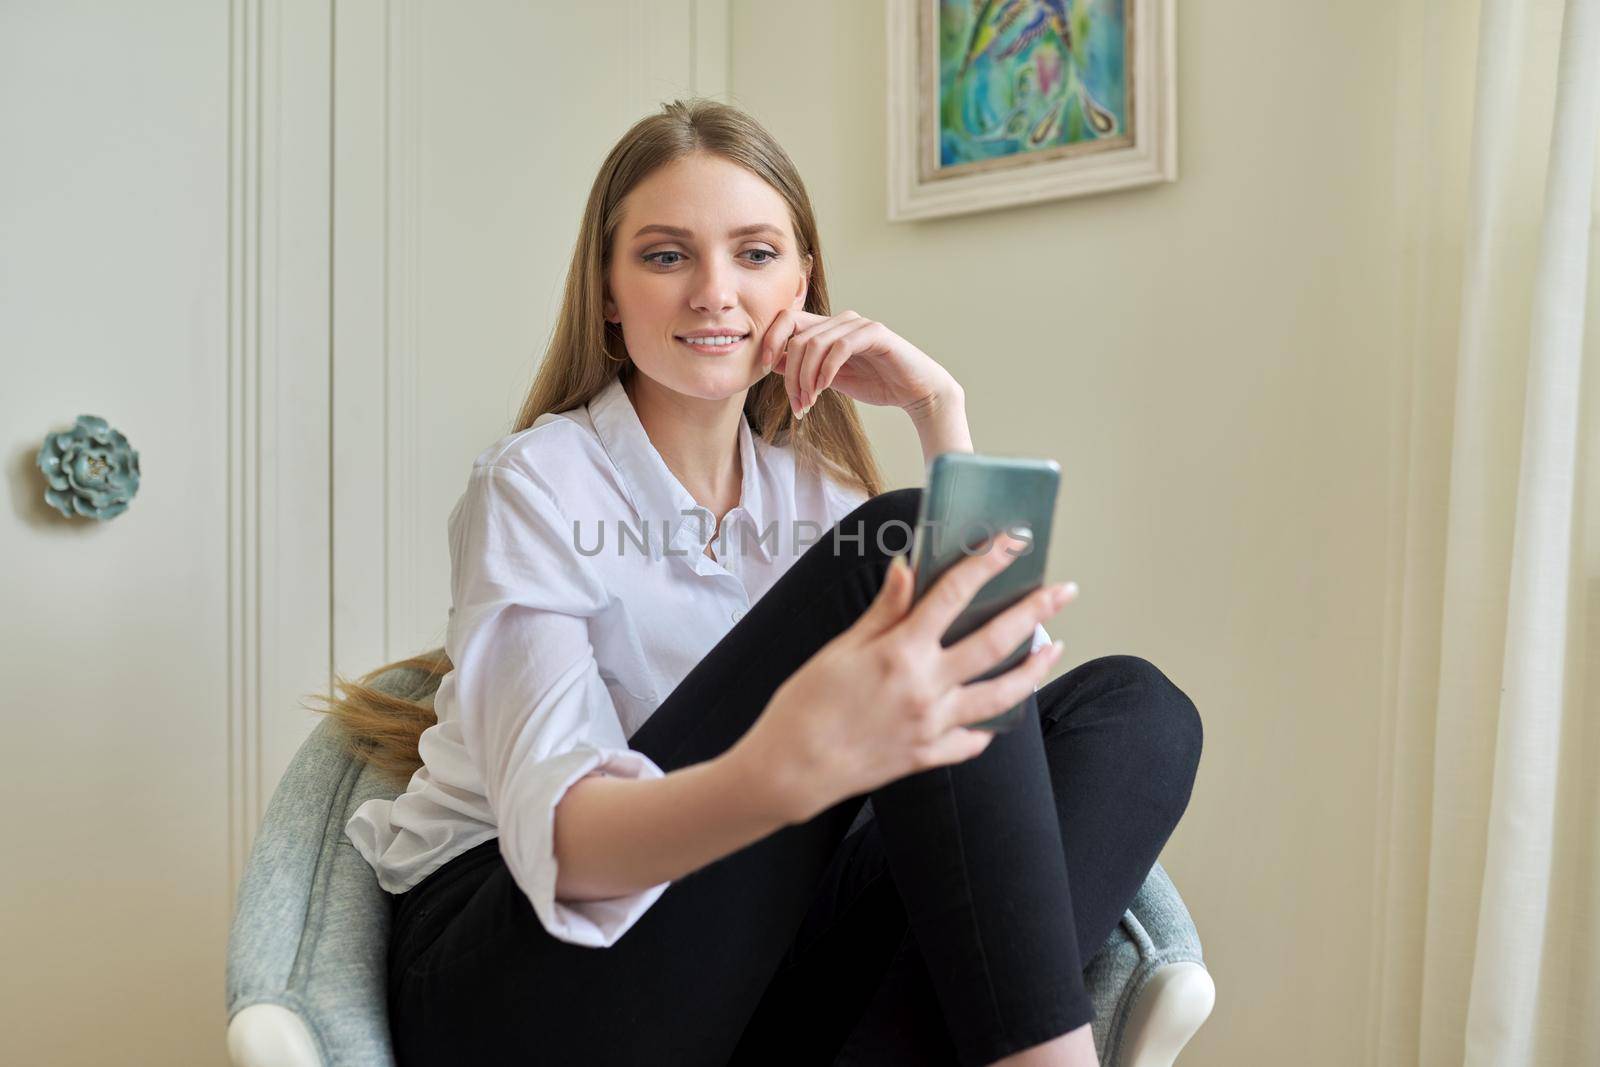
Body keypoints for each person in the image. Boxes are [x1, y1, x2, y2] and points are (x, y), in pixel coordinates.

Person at [314, 98, 1202, 1067]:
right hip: (523, 969)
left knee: (1135, 709)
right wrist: (777, 771)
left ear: (804, 284)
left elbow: (984, 756)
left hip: (743, 973)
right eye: (663, 255)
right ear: (607, 291)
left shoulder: (818, 497)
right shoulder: (535, 483)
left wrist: (936, 411)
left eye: (755, 253)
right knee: (899, 536)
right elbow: (565, 850)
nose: (713, 292)